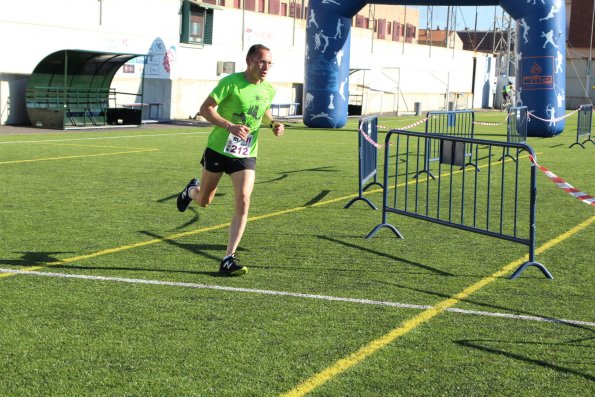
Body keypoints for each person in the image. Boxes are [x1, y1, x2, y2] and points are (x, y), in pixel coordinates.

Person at [176, 44, 284, 276]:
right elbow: (205, 109)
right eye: (261, 62)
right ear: (250, 61)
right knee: (204, 201)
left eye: (269, 63)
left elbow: (263, 110)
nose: (266, 67)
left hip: (246, 152)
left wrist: (272, 123)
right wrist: (229, 126)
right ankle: (190, 191)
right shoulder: (231, 83)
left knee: (244, 199)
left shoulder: (269, 90)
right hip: (218, 148)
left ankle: (228, 258)